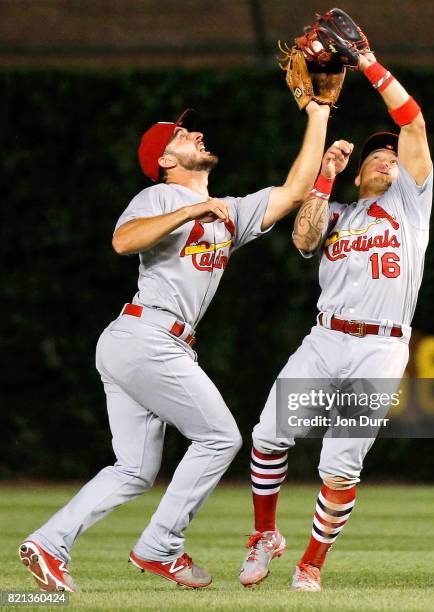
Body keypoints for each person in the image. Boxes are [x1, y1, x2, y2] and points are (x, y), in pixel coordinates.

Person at [18, 101, 331, 592]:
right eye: (182, 135)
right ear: (165, 161)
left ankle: (48, 544)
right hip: (147, 337)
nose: (196, 133)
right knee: (220, 438)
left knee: (134, 470)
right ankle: (160, 546)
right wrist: (189, 208)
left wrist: (318, 113)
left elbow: (294, 191)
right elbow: (124, 242)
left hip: (150, 343)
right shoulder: (159, 196)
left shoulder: (228, 213)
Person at [239, 49, 433, 592]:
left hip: (381, 349)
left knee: (340, 464)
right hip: (326, 339)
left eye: (392, 153)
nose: (386, 156)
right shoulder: (340, 214)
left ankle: (310, 565)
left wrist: (369, 61)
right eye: (376, 153)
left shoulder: (412, 205)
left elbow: (411, 120)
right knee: (268, 435)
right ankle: (264, 537)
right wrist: (323, 176)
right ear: (359, 171)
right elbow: (303, 239)